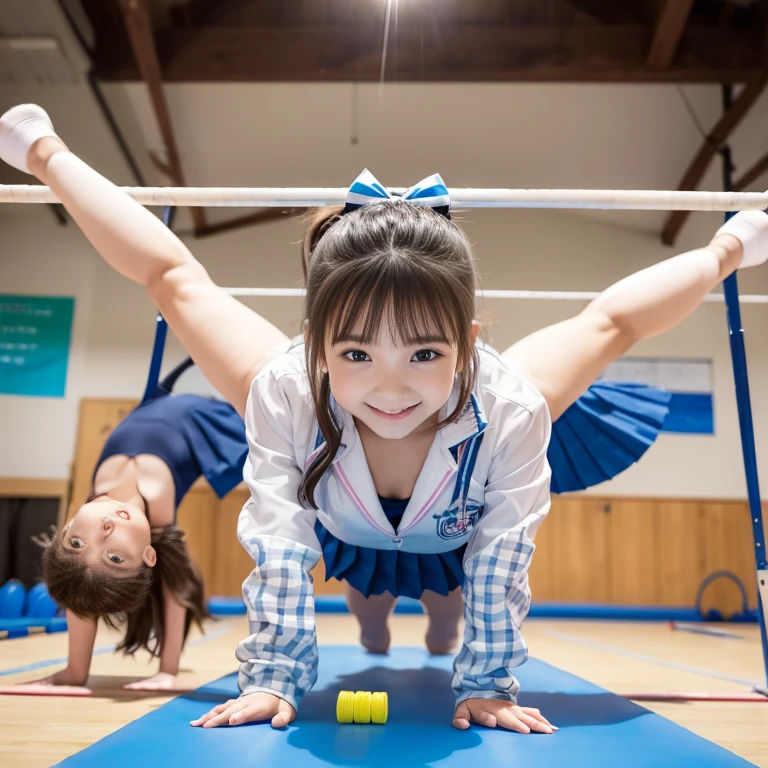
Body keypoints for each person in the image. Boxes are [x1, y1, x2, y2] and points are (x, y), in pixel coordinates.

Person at [1, 104, 765, 728]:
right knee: (177, 282)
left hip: (456, 523)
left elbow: (501, 556)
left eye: (426, 355)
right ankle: (45, 149)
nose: (391, 390)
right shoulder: (286, 389)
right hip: (343, 511)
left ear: (468, 344)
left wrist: (488, 682)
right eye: (358, 354)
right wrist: (274, 677)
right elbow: (277, 539)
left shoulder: (509, 403)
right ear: (318, 345)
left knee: (607, 327)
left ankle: (731, 242)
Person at [28, 356, 248, 692]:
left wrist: (76, 672)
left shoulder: (97, 503)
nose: (102, 532)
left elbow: (79, 593)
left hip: (152, 407)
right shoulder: (156, 513)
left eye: (77, 542)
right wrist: (167, 671)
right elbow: (174, 591)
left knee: (83, 583)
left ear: (68, 525)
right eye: (115, 557)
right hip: (201, 420)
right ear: (148, 555)